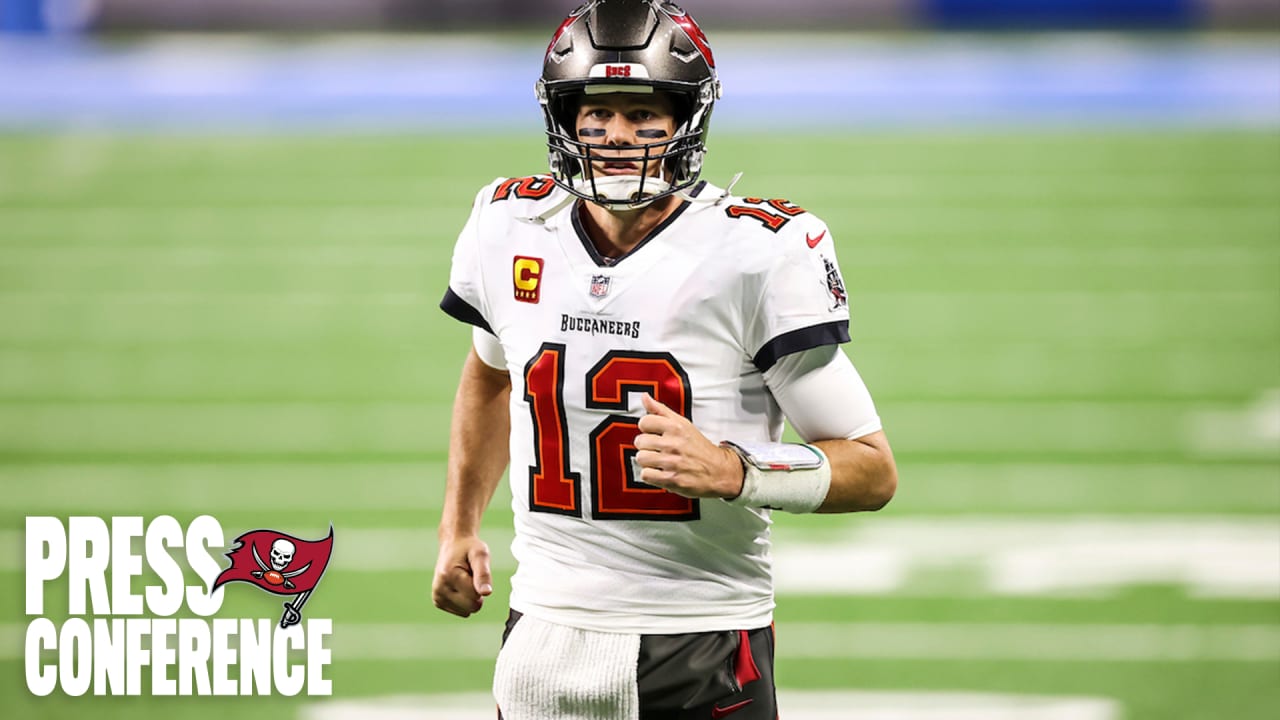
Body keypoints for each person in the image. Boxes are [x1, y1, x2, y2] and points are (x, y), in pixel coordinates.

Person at [432, 1, 897, 717]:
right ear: (565, 119)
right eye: (597, 113)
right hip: (541, 630)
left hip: (701, 634)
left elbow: (872, 469)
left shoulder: (757, 250)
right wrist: (459, 526)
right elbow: (491, 377)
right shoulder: (508, 226)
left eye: (644, 114)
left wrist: (738, 470)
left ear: (686, 120)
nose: (617, 135)